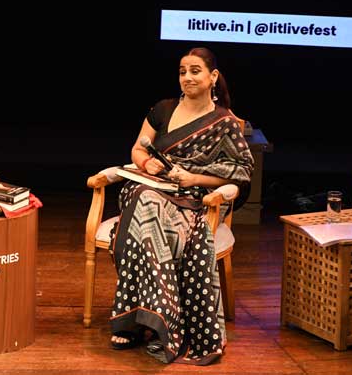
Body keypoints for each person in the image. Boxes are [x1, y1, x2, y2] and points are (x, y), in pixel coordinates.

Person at [109, 47, 254, 365]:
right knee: (145, 203)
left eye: (195, 70)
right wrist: (147, 163)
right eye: (182, 71)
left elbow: (241, 171)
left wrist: (193, 178)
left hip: (190, 200)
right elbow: (137, 148)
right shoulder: (162, 109)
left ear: (212, 76)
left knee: (144, 224)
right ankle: (155, 323)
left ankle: (140, 324)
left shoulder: (225, 124)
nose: (187, 77)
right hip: (149, 188)